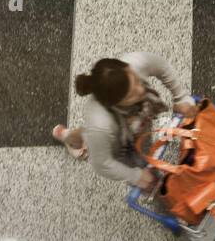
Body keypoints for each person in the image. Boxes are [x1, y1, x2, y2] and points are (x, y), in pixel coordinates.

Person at [52, 52, 195, 191]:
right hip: (117, 143)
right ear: (113, 104)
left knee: (93, 136)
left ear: (127, 68)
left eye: (136, 80)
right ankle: (69, 137)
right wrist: (136, 176)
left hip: (118, 128)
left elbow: (162, 67)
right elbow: (102, 164)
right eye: (131, 95)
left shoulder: (135, 62)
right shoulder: (100, 125)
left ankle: (71, 135)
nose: (141, 90)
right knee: (96, 139)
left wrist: (180, 97)